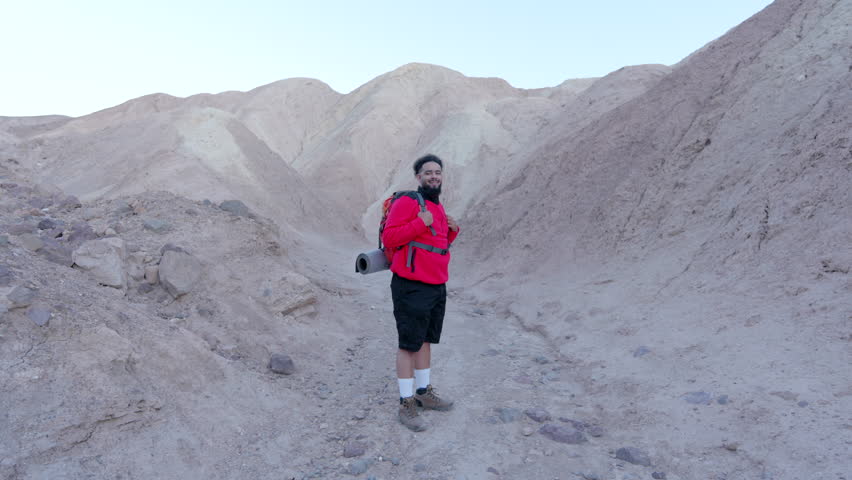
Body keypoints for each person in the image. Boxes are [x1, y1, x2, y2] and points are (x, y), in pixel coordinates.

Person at [381, 153, 460, 431]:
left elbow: (436, 245)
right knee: (408, 344)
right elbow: (390, 237)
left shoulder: (436, 207)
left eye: (437, 172)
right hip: (411, 285)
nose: (434, 176)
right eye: (428, 172)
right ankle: (406, 402)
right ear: (418, 177)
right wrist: (420, 222)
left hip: (436, 284)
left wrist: (452, 231)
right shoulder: (408, 202)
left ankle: (424, 394)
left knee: (425, 339)